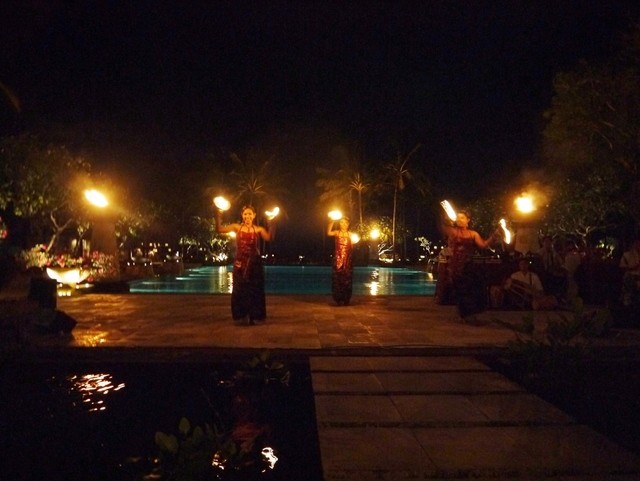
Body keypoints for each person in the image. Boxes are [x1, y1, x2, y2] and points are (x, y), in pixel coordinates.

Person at [216, 205, 276, 325]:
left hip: (254, 263)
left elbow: (269, 237)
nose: (247, 216)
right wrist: (219, 214)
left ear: (254, 216)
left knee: (254, 289)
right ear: (242, 215)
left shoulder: (258, 229)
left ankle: (254, 316)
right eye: (245, 214)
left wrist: (271, 223)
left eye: (250, 214)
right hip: (240, 263)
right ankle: (242, 315)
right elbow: (220, 229)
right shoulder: (236, 227)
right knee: (240, 289)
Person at [436, 209, 499, 311]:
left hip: (468, 265)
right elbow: (442, 226)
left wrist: (493, 236)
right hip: (454, 265)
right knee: (457, 288)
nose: (459, 219)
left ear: (468, 220)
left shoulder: (473, 234)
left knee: (468, 289)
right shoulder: (452, 231)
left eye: (462, 218)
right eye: (458, 217)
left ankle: (467, 310)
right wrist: (444, 216)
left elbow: (483, 245)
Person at [327, 215, 354, 306]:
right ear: (339, 224)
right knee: (337, 279)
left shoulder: (350, 234)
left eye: (345, 223)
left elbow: (352, 246)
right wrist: (331, 222)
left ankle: (346, 298)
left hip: (347, 259)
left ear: (348, 224)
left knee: (347, 279)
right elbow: (329, 233)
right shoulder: (337, 232)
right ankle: (338, 298)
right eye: (341, 222)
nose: (343, 224)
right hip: (338, 258)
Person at [535, 235, 567, 299]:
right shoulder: (539, 252)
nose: (548, 243)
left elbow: (560, 262)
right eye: (546, 241)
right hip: (543, 273)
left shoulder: (554, 252)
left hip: (553, 273)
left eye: (549, 241)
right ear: (543, 243)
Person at [619, 237, 640, 308]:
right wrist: (633, 268)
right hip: (631, 278)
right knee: (628, 278)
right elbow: (623, 268)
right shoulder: (627, 255)